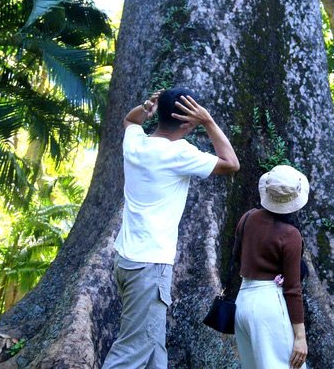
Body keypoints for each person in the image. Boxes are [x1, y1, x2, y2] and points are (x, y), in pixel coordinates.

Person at [102, 88, 240, 369]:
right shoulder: (178, 153)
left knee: (153, 344)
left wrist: (145, 106)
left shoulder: (136, 143)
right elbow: (231, 163)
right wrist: (209, 121)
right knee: (131, 350)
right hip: (149, 265)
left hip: (128, 260)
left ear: (160, 114)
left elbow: (130, 122)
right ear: (188, 122)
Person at [234, 165, 309, 369]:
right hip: (269, 305)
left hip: (243, 301)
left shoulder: (247, 218)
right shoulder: (290, 234)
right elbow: (293, 289)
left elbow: (236, 257)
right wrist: (300, 337)